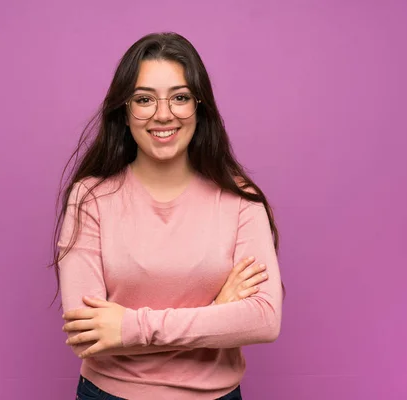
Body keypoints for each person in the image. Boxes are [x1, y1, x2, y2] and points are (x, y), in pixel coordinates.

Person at [52, 32, 284, 400]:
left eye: (179, 98)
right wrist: (218, 313)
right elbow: (90, 335)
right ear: (124, 113)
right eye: (144, 100)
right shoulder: (91, 198)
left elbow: (264, 320)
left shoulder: (242, 200)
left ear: (200, 107)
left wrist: (128, 327)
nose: (163, 114)